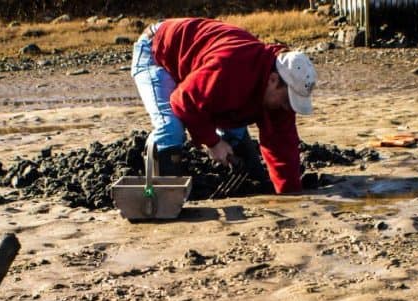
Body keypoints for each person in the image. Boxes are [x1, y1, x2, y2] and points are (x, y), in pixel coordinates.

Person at [131, 17, 317, 194]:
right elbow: (183, 101)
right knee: (170, 129)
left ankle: (248, 186)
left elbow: (282, 144)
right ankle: (165, 202)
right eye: (287, 100)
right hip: (157, 50)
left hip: (201, 67)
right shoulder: (230, 67)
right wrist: (213, 142)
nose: (287, 108)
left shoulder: (282, 87)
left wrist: (291, 194)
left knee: (235, 131)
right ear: (273, 80)